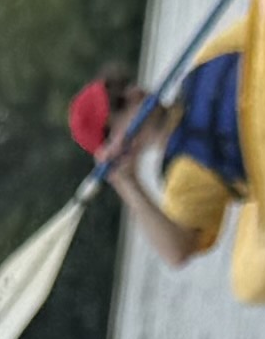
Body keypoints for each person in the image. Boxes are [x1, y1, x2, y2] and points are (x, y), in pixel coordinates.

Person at [78, 53, 252, 269]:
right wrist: (127, 182)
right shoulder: (184, 173)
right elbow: (177, 252)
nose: (135, 92)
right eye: (121, 104)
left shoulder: (202, 66)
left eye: (126, 85)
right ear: (115, 145)